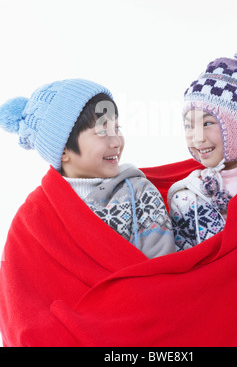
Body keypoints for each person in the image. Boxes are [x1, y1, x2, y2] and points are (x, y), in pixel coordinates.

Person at [0, 79, 175, 346]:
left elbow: (164, 278)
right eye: (103, 132)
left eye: (118, 128)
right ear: (65, 150)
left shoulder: (138, 191)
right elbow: (21, 312)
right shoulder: (32, 219)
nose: (117, 141)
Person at [167, 47, 237, 251]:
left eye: (207, 124)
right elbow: (182, 264)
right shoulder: (185, 197)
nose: (197, 137)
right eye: (189, 125)